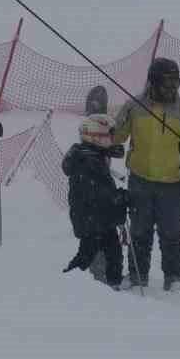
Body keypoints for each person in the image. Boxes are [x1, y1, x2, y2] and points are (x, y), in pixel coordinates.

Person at [112, 58, 180, 291]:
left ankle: (173, 278)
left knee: (171, 233)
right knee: (140, 231)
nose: (172, 89)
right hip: (140, 180)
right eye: (167, 84)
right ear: (152, 82)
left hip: (173, 183)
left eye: (176, 83)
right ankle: (137, 276)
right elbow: (117, 135)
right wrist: (107, 137)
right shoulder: (134, 107)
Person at [62, 116, 130, 289]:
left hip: (98, 218)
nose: (113, 139)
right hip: (90, 218)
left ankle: (114, 282)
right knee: (87, 253)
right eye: (110, 136)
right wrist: (119, 198)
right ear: (96, 137)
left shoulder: (95, 156)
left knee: (113, 251)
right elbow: (98, 194)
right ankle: (67, 281)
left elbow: (102, 192)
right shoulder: (87, 161)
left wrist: (117, 199)